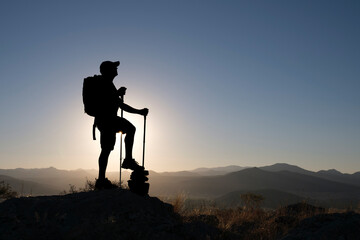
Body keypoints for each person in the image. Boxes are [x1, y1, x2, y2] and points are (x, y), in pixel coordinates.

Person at [94, 60, 148, 189]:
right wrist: (139, 111)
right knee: (129, 129)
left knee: (106, 149)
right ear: (108, 70)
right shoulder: (104, 83)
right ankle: (127, 160)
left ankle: (102, 179)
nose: (116, 69)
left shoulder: (108, 84)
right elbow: (109, 101)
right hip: (107, 120)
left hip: (104, 121)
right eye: (114, 67)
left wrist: (138, 111)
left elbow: (119, 104)